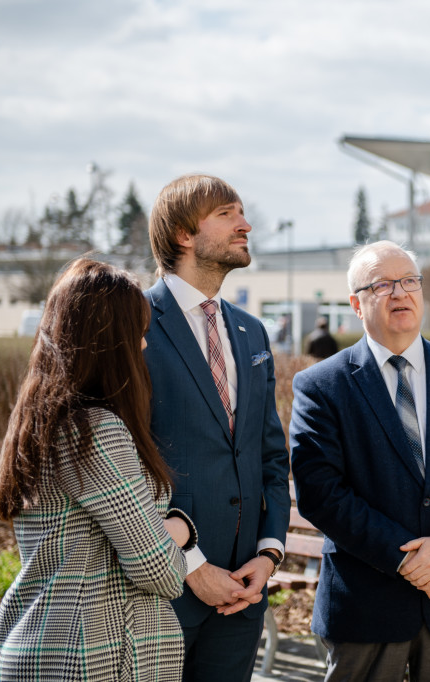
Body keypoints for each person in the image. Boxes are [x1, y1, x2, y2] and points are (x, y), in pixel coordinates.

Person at [290, 240, 430, 681]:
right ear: (356, 303)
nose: (400, 293)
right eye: (383, 285)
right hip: (366, 605)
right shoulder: (321, 386)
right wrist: (408, 559)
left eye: (410, 281)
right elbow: (322, 494)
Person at [0, 258, 198, 681]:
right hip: (94, 657)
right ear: (109, 341)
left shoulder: (40, 420)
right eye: (137, 334)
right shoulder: (96, 431)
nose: (143, 347)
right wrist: (180, 528)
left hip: (42, 645)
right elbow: (161, 572)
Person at [144, 174, 291, 681]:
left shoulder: (252, 330)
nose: (245, 225)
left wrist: (269, 555)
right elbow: (119, 462)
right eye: (228, 213)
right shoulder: (133, 321)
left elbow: (270, 454)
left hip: (242, 592)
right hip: (161, 589)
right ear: (185, 233)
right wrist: (190, 565)